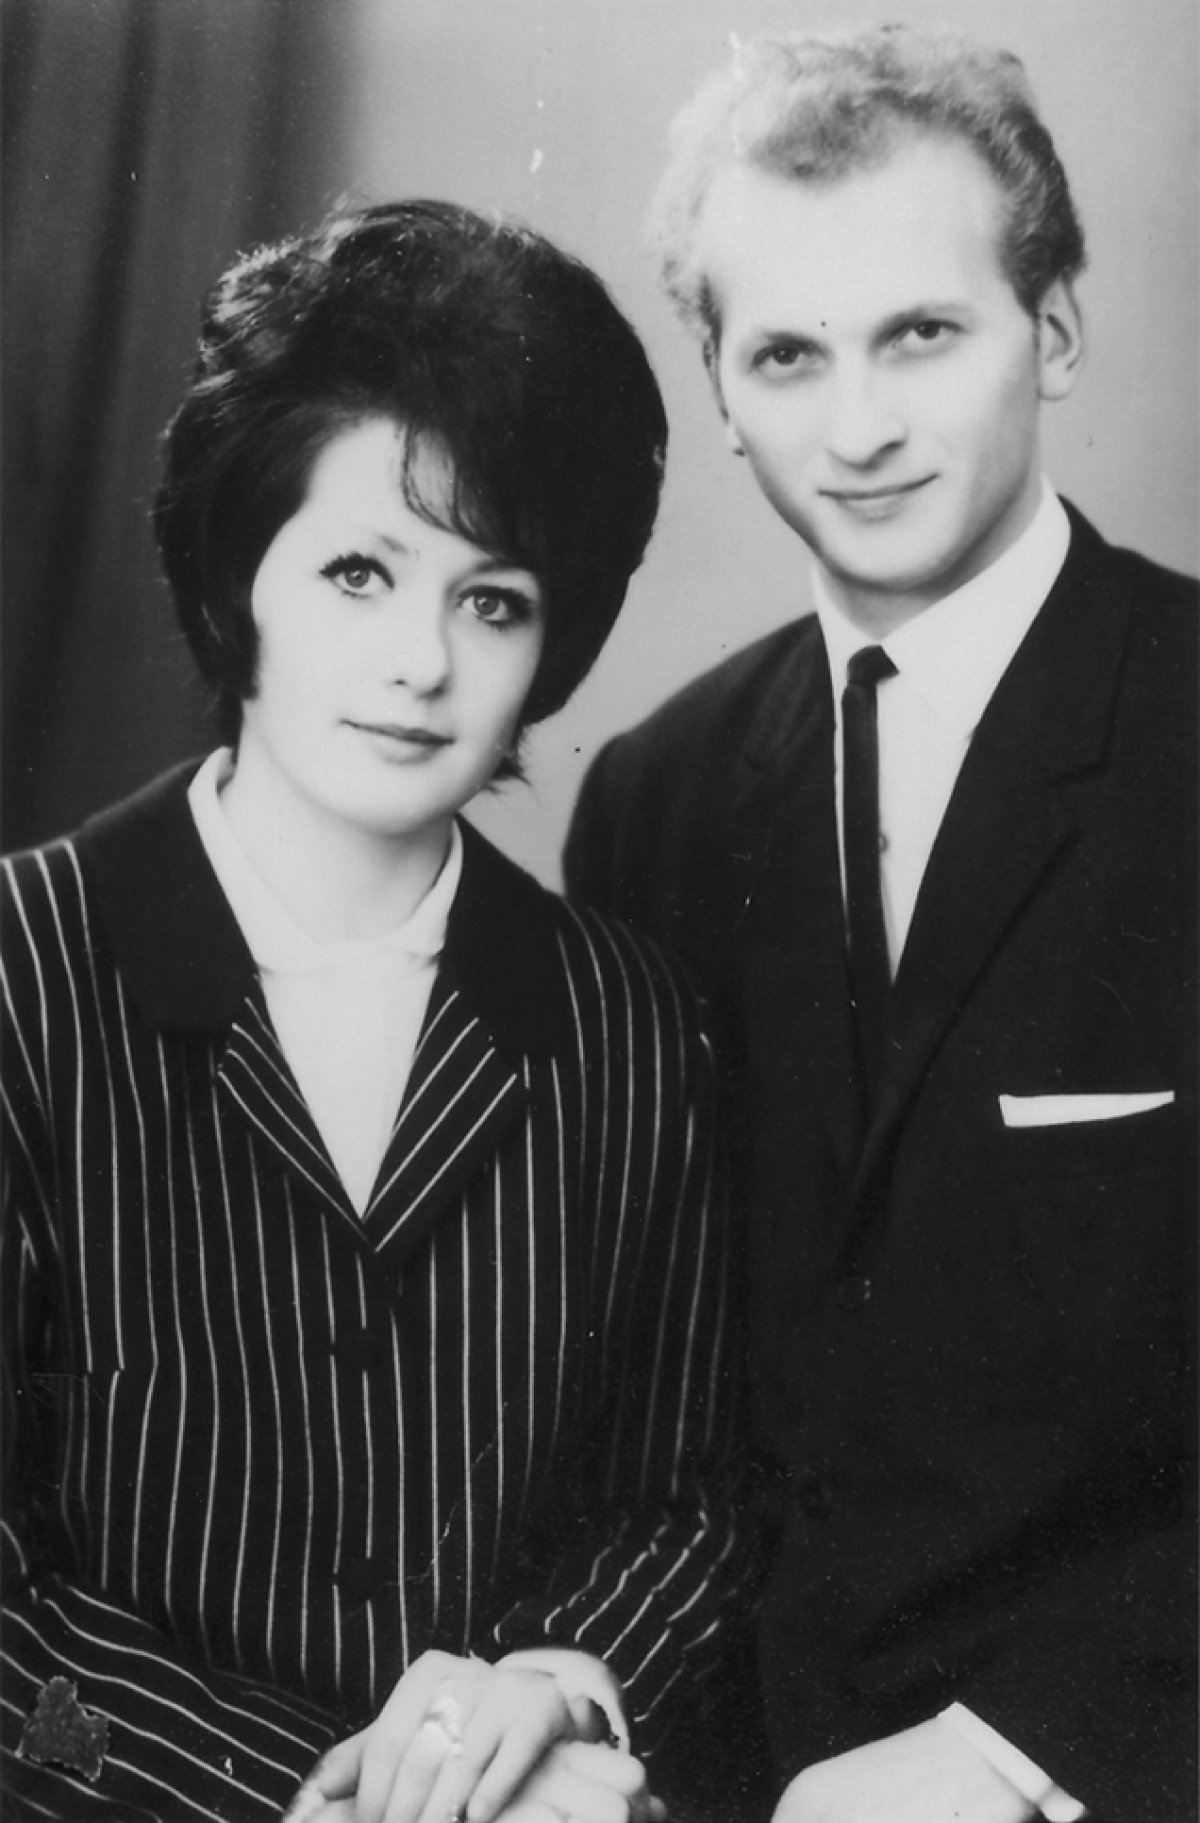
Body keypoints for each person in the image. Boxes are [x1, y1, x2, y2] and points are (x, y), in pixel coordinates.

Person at [1, 199, 744, 1823]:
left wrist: (547, 1706)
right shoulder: (23, 975)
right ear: (231, 571)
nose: (420, 661)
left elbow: (682, 1502)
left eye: (494, 600)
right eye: (358, 571)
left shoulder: (627, 1021)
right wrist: (323, 1795)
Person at [566, 26, 1197, 1823]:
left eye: (922, 332)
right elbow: (647, 1402)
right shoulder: (656, 800)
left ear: (1055, 331)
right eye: (787, 354)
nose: (855, 427)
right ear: (717, 382)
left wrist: (1024, 1753)